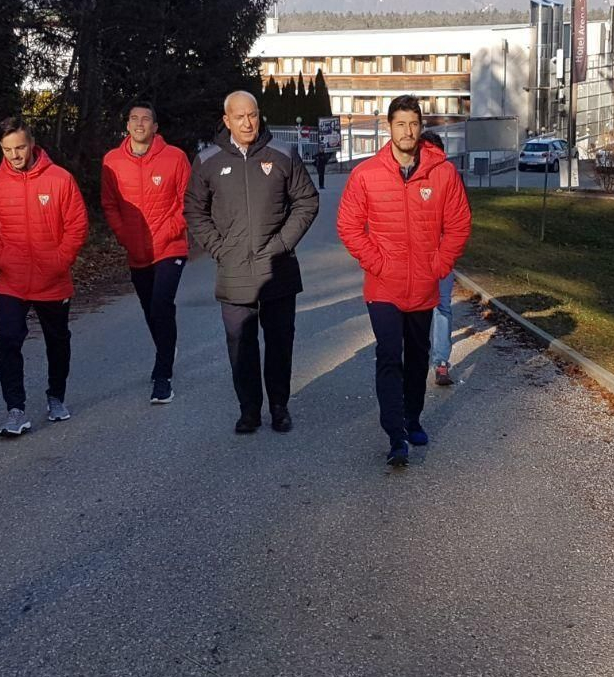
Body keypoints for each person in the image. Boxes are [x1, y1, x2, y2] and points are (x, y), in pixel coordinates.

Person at [336, 95, 471, 467]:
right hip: (383, 286)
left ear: (420, 127)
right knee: (389, 356)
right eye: (400, 124)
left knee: (417, 358)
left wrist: (439, 265)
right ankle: (395, 435)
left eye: (413, 124)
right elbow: (348, 226)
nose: (407, 131)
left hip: (425, 286)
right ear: (389, 127)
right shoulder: (366, 174)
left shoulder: (442, 172)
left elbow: (459, 224)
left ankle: (412, 419)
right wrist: (376, 262)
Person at [185, 90, 319, 434]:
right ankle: (248, 410)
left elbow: (306, 201)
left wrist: (283, 243)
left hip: (278, 270)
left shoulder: (283, 154)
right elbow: (195, 211)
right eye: (240, 117)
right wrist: (219, 249)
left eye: (253, 115)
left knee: (279, 344)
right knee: (241, 346)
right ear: (226, 120)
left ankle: (279, 406)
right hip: (234, 273)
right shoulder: (207, 160)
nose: (248, 123)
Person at [0, 116, 88, 436]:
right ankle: (15, 409)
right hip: (11, 280)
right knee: (9, 341)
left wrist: (59, 261)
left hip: (53, 279)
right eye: (7, 149)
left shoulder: (60, 179)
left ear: (32, 144)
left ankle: (56, 397)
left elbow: (77, 226)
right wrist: (2, 259)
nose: (14, 155)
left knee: (58, 341)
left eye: (20, 147)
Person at [100, 102, 192, 404]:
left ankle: (162, 375)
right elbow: (110, 204)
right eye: (134, 119)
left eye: (146, 119)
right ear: (127, 125)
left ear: (155, 127)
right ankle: (168, 346)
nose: (139, 124)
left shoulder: (175, 158)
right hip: (136, 249)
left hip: (170, 246)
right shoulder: (112, 161)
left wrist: (167, 232)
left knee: (161, 303)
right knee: (150, 309)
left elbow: (187, 202)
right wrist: (124, 235)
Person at [421, 131, 457, 387]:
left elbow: (458, 218)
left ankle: (440, 360)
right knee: (436, 308)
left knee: (440, 307)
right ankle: (438, 362)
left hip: (440, 254)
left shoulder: (449, 175)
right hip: (417, 256)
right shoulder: (407, 176)